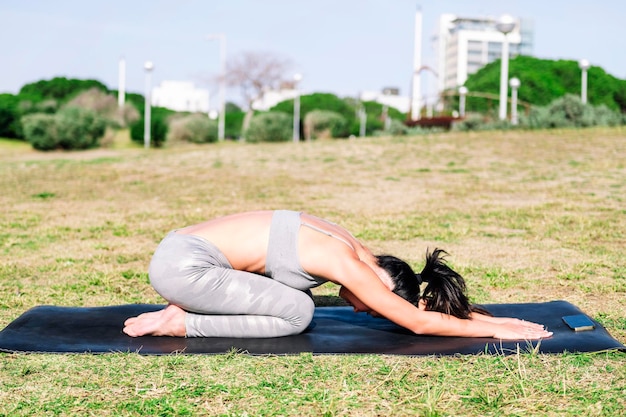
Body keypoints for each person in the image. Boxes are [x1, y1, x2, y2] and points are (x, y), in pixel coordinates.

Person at [123, 210, 552, 340]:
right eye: (374, 306)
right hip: (185, 268)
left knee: (288, 296)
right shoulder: (348, 266)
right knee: (297, 312)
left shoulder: (347, 242)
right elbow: (418, 321)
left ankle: (181, 308)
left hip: (180, 253)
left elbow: (415, 308)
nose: (363, 307)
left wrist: (487, 317)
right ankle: (182, 321)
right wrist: (497, 331)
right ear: (384, 283)